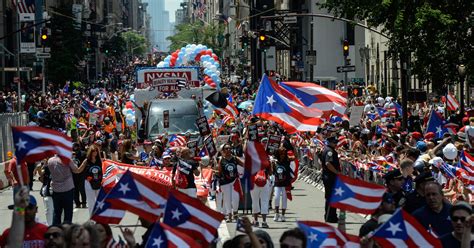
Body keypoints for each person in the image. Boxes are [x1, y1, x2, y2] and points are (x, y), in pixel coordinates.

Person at [46, 154, 87, 225]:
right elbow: (77, 170)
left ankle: (56, 231)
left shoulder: (50, 161)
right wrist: (84, 163)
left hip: (56, 189)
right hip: (67, 189)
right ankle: (67, 231)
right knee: (68, 213)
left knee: (56, 213)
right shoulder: (67, 160)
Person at [218, 143, 244, 221]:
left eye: (229, 148)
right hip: (224, 182)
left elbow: (244, 165)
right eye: (226, 148)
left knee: (236, 198)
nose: (229, 150)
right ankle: (229, 215)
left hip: (234, 181)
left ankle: (235, 213)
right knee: (227, 199)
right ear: (222, 150)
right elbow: (218, 171)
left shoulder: (235, 158)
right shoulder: (220, 159)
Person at [320, 135, 341, 223]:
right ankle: (330, 216)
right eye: (334, 142)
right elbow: (328, 163)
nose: (336, 144)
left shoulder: (326, 149)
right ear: (330, 142)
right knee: (331, 197)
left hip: (328, 176)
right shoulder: (329, 151)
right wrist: (337, 172)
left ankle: (331, 216)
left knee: (330, 197)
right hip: (330, 177)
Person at [81, 145, 103, 216]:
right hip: (88, 183)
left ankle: (99, 217)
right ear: (90, 152)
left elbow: (104, 170)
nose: (95, 153)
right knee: (91, 202)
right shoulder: (86, 161)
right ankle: (92, 217)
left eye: (96, 151)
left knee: (100, 201)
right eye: (93, 151)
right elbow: (79, 170)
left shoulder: (100, 160)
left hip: (98, 182)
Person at [273, 147, 293, 222]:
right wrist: (272, 164)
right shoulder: (275, 162)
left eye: (284, 154)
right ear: (277, 154)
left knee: (284, 199)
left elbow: (296, 157)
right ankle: (276, 213)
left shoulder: (287, 160)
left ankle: (283, 215)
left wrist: (292, 147)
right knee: (276, 198)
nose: (282, 155)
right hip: (277, 183)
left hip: (286, 183)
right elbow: (271, 172)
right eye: (280, 154)